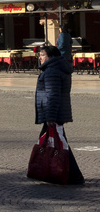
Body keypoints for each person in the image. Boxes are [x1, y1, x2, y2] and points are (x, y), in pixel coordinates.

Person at [34, 43, 84, 185]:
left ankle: (72, 175)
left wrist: (50, 116)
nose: (40, 58)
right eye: (40, 55)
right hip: (56, 112)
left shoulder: (51, 71)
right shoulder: (57, 69)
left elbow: (53, 95)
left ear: (51, 57)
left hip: (53, 113)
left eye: (42, 55)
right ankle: (54, 172)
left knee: (58, 144)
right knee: (57, 143)